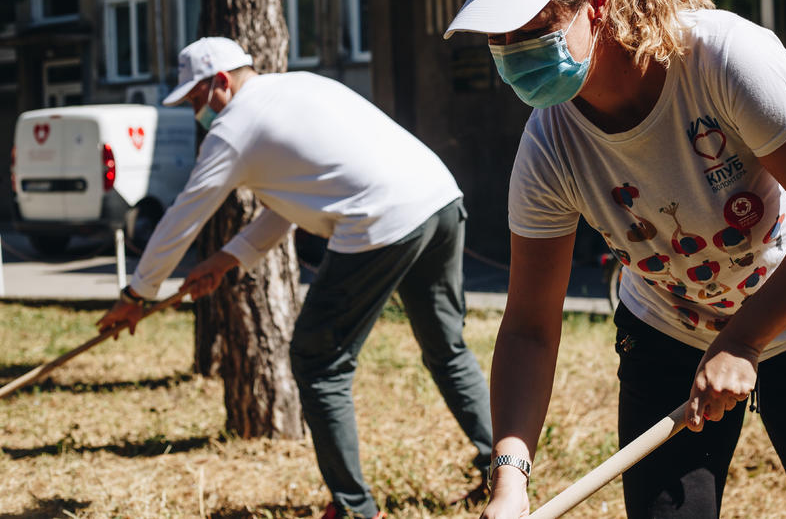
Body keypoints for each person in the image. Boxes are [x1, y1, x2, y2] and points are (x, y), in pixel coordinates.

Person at [444, 0, 786, 518]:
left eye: (533, 26)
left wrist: (742, 339)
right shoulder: (550, 146)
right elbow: (527, 326)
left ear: (596, 3)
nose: (511, 50)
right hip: (668, 335)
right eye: (497, 34)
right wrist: (510, 482)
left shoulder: (723, 61)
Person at [96, 37, 493, 519]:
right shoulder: (298, 87)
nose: (198, 113)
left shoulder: (234, 128)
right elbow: (300, 198)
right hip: (439, 199)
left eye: (198, 100)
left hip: (380, 220)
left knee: (318, 360)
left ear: (221, 82)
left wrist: (137, 294)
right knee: (446, 347)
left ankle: (353, 509)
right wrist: (227, 260)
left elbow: (184, 215)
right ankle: (503, 468)